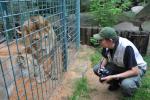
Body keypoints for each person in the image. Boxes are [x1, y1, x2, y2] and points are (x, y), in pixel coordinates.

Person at [93, 27, 147, 97]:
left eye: (101, 40)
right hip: (120, 65)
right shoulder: (107, 45)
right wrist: (102, 68)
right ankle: (115, 83)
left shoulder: (126, 47)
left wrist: (113, 76)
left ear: (110, 40)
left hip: (136, 68)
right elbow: (105, 57)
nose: (99, 41)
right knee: (97, 69)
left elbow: (135, 71)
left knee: (126, 85)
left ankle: (132, 86)